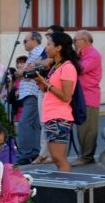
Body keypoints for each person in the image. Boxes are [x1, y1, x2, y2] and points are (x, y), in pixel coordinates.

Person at [33, 32, 81, 173]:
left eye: (49, 44)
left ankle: (67, 189)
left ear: (58, 47)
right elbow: (48, 91)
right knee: (55, 158)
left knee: (59, 159)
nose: (46, 48)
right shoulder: (56, 67)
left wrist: (46, 84)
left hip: (59, 118)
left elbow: (66, 96)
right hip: (51, 116)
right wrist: (40, 82)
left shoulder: (67, 67)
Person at [72, 31, 103, 166]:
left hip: (89, 96)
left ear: (84, 41)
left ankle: (87, 157)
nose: (74, 43)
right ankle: (83, 155)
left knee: (88, 129)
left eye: (75, 40)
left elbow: (80, 69)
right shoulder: (82, 55)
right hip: (81, 96)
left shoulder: (93, 55)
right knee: (81, 128)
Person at [15, 32, 45, 164]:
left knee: (24, 124)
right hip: (30, 94)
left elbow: (31, 72)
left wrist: (22, 72)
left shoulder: (39, 53)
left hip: (33, 93)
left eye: (26, 41)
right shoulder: (33, 54)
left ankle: (25, 154)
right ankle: (33, 152)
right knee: (32, 125)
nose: (24, 43)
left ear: (34, 40)